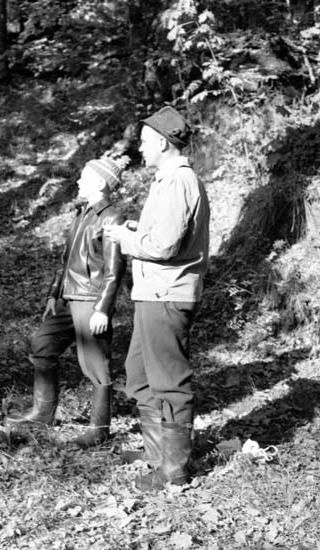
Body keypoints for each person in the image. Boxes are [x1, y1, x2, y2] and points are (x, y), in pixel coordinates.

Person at [104, 106, 210, 490]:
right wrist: (138, 229)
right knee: (140, 374)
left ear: (164, 143)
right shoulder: (167, 180)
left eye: (145, 142)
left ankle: (174, 471)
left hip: (167, 293)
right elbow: (165, 233)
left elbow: (165, 246)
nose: (141, 149)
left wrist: (125, 239)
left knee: (169, 381)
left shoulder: (179, 180)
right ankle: (156, 455)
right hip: (154, 293)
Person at [7, 157, 126, 448]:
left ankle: (99, 431)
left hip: (90, 300)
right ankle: (42, 414)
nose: (78, 181)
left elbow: (115, 271)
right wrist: (53, 294)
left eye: (84, 177)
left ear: (100, 183)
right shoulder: (81, 213)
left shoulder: (112, 218)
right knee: (42, 346)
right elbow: (66, 261)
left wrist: (102, 309)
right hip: (66, 299)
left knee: (96, 365)